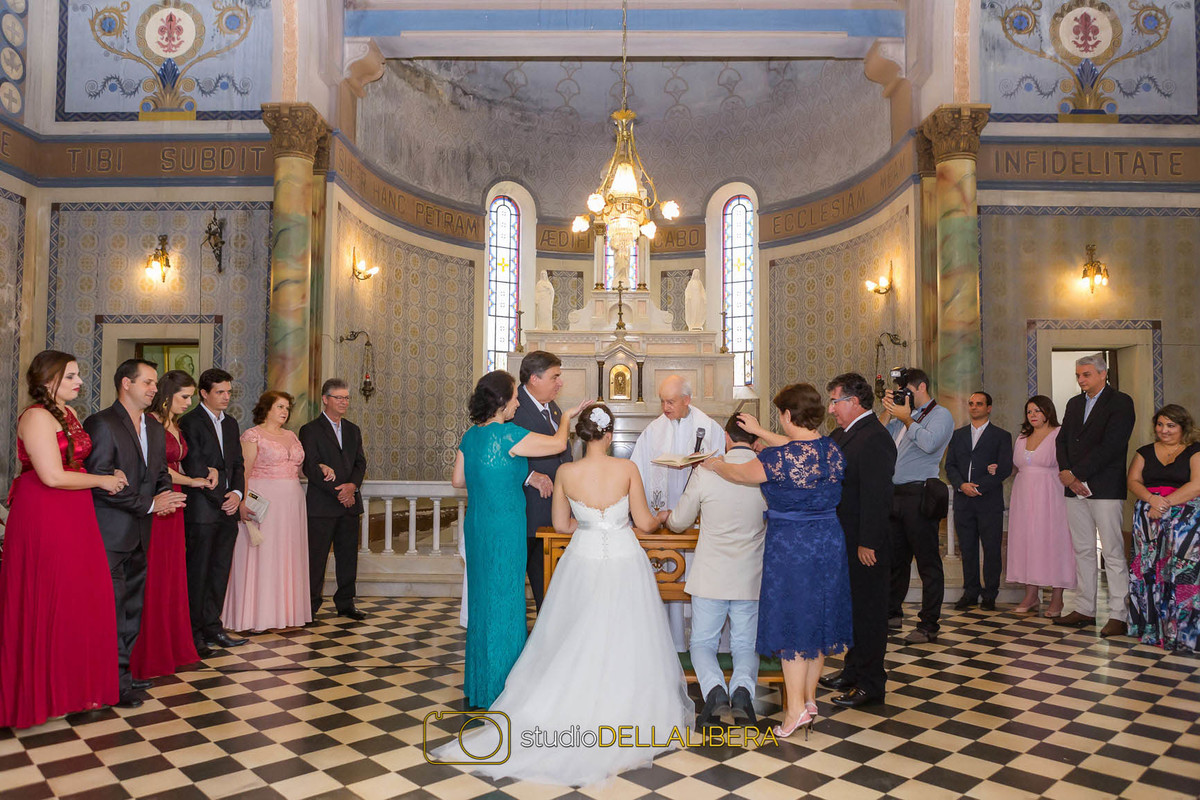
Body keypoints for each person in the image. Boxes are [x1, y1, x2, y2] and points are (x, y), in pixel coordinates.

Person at [435, 403, 692, 785]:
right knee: (625, 634)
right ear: (608, 434)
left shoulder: (567, 472)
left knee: (576, 633)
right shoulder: (627, 469)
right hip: (623, 557)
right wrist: (657, 516)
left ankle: (565, 707)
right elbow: (643, 522)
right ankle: (625, 706)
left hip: (583, 557)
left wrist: (588, 523)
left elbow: (559, 524)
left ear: (580, 436)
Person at [708, 384, 852, 739]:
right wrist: (759, 432)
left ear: (787, 415)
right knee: (817, 621)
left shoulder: (777, 460)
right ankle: (809, 698)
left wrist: (714, 464)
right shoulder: (831, 449)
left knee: (793, 624)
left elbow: (739, 474)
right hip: (829, 541)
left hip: (792, 546)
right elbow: (797, 446)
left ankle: (793, 711)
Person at [0, 351, 124, 726]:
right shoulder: (36, 416)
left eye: (78, 376)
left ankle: (69, 690)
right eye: (71, 376)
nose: (79, 382)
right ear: (49, 379)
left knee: (78, 597)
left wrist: (103, 475)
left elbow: (74, 465)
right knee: (49, 595)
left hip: (74, 511)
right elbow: (52, 476)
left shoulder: (66, 414)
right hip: (45, 512)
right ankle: (38, 694)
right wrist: (103, 480)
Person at [449, 370, 585, 709]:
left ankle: (479, 683)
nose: (517, 402)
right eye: (513, 397)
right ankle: (504, 687)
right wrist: (566, 416)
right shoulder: (509, 434)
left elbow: (457, 480)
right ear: (500, 403)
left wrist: (503, 476)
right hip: (505, 526)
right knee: (507, 602)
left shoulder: (471, 436)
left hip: (478, 525)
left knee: (483, 602)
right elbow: (557, 444)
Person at [84, 359, 186, 706]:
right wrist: (150, 504)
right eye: (148, 382)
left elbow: (160, 473)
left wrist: (165, 497)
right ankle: (110, 682)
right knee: (110, 611)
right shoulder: (102, 423)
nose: (154, 389)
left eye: (155, 383)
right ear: (126, 383)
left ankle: (123, 674)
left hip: (142, 533)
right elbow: (99, 482)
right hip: (110, 533)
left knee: (132, 609)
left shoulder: (155, 427)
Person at [662, 415, 767, 729]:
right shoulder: (766, 472)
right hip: (751, 575)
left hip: (710, 575)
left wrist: (668, 517)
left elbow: (680, 522)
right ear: (756, 439)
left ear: (725, 437)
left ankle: (715, 691)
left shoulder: (707, 471)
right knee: (746, 645)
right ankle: (744, 691)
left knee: (703, 644)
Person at [818, 372, 896, 709]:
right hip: (845, 537)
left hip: (866, 543)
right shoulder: (845, 433)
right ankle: (851, 671)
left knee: (869, 613)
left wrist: (868, 542)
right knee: (852, 610)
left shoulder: (875, 437)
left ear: (854, 401)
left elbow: (877, 496)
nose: (831, 408)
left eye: (835, 401)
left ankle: (871, 684)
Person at [630, 374, 725, 650]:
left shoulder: (710, 428)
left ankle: (705, 648)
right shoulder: (652, 431)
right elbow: (637, 471)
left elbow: (723, 469)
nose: (665, 407)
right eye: (662, 401)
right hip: (664, 521)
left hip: (700, 525)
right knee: (669, 582)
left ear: (687, 400)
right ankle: (672, 647)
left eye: (670, 401)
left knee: (702, 584)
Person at [132, 370, 214, 681]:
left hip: (176, 500)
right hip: (160, 499)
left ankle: (172, 644)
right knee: (155, 573)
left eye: (191, 396)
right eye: (184, 396)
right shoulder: (150, 423)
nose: (189, 402)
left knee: (172, 573)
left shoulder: (174, 425)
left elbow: (179, 461)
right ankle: (148, 650)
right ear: (167, 395)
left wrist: (205, 472)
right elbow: (156, 466)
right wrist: (191, 481)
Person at [1055, 354, 1135, 638]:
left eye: (1086, 374)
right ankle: (1085, 609)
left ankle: (1119, 615)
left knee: (1112, 552)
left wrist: (1077, 474)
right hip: (1072, 486)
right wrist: (1066, 472)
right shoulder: (1074, 403)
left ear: (1103, 374)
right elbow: (1062, 440)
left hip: (1104, 487)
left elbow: (1112, 445)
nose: (1081, 380)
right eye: (1078, 375)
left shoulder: (1120, 402)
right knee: (1083, 550)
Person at [222, 391, 312, 632]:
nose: (285, 412)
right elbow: (244, 472)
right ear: (266, 408)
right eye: (280, 406)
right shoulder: (253, 436)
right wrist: (242, 503)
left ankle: (285, 614)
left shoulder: (291, 436)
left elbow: (299, 470)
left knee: (287, 554)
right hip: (264, 500)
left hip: (292, 502)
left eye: (287, 408)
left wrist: (320, 466)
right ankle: (257, 615)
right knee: (264, 554)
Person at [881, 367, 953, 644]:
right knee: (895, 561)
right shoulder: (901, 415)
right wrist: (889, 412)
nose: (904, 396)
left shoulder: (940, 415)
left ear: (921, 387)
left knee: (927, 563)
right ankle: (891, 613)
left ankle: (928, 624)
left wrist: (907, 418)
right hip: (894, 495)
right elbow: (880, 440)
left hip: (920, 495)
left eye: (906, 391)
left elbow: (930, 444)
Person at [180, 368, 247, 656]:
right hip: (202, 510)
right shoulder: (189, 422)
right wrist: (221, 498)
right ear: (203, 393)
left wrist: (237, 494)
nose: (226, 397)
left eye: (229, 392)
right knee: (199, 573)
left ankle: (213, 627)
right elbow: (194, 465)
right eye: (220, 392)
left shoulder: (231, 424)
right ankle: (194, 634)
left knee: (220, 572)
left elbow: (238, 465)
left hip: (227, 510)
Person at [1126, 404, 1200, 652]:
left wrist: (1164, 504)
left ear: (1183, 427)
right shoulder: (1144, 452)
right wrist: (1151, 499)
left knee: (1180, 575)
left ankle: (1183, 634)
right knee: (1148, 574)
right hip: (1148, 520)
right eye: (1160, 425)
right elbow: (1133, 480)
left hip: (1184, 522)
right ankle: (1151, 630)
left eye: (1171, 425)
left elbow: (1197, 484)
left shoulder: (1195, 450)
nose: (1164, 430)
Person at [300, 379, 368, 621]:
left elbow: (360, 463)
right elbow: (310, 466)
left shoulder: (353, 430)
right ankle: (310, 605)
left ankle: (346, 602)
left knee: (348, 556)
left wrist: (352, 487)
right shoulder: (310, 430)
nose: (344, 402)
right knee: (316, 558)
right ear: (326, 399)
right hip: (322, 506)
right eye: (339, 397)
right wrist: (339, 492)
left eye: (347, 398)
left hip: (350, 505)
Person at [512, 351, 572, 611]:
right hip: (526, 512)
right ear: (534, 379)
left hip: (552, 510)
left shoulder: (553, 408)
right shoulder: (513, 406)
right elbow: (498, 450)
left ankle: (549, 631)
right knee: (528, 577)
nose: (560, 382)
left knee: (549, 581)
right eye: (555, 377)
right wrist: (528, 475)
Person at [1006, 396, 1075, 617]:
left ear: (1048, 412)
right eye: (1029, 412)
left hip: (1050, 495)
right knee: (1027, 541)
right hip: (1023, 496)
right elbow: (1017, 467)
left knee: (1053, 542)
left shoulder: (1059, 434)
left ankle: (1057, 598)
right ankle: (1031, 594)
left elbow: (1068, 464)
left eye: (1037, 411)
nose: (1033, 415)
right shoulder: (1022, 437)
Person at [945, 392, 1013, 612]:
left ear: (989, 408)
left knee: (992, 549)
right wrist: (962, 485)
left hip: (988, 501)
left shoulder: (1001, 436)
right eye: (971, 404)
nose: (974, 407)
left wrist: (979, 487)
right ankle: (970, 592)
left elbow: (1003, 469)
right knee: (967, 548)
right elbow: (950, 466)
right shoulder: (958, 435)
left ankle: (990, 594)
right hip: (964, 501)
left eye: (979, 404)